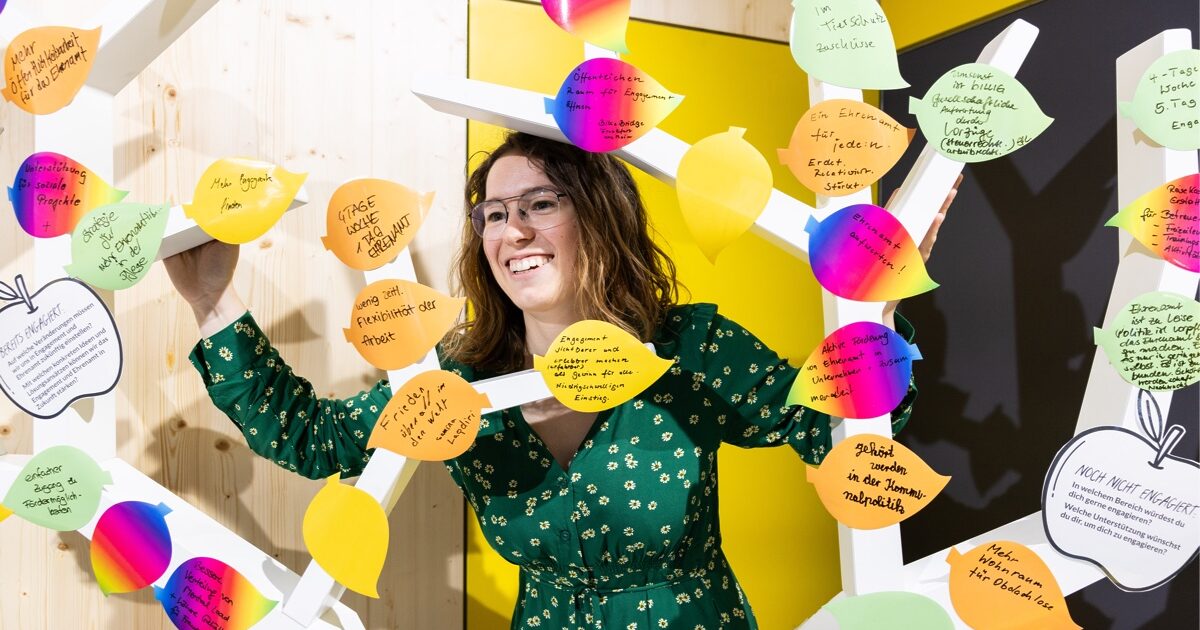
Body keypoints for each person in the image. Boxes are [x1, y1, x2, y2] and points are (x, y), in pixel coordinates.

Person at [166, 132, 954, 629]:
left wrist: (878, 298)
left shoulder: (690, 348)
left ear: (598, 217)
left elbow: (841, 431)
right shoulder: (454, 386)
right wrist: (211, 300)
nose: (513, 232)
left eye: (540, 204)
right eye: (493, 213)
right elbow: (311, 439)